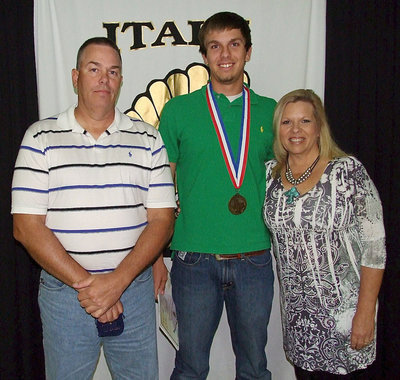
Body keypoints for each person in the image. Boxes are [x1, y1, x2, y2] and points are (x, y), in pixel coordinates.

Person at [11, 37, 176, 379]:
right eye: (94, 69)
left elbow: (162, 221)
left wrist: (118, 282)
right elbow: (25, 227)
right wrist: (91, 286)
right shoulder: (40, 138)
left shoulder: (148, 138)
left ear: (120, 80)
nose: (105, 79)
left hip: (133, 291)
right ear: (75, 77)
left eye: (113, 71)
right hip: (65, 296)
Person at [158, 11, 276, 380]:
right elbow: (160, 190)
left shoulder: (274, 113)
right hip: (194, 259)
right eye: (215, 46)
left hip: (255, 257)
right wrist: (155, 255)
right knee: (191, 366)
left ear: (249, 51)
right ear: (204, 54)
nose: (225, 54)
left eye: (234, 44)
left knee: (255, 366)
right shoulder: (178, 111)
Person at [263, 89, 386, 379]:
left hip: (346, 320)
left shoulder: (348, 172)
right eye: (286, 122)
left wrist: (366, 313)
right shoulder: (270, 175)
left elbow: (375, 248)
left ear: (319, 128)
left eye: (305, 121)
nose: (295, 130)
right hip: (298, 322)